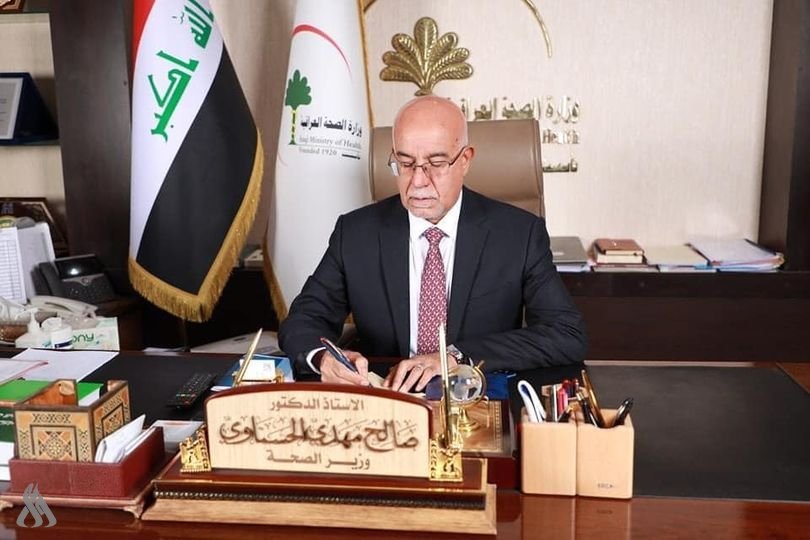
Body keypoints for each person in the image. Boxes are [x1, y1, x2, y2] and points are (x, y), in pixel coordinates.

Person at [279, 96, 586, 392]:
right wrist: (322, 359)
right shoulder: (357, 233)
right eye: (405, 163)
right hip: (388, 394)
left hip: (475, 395)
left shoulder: (518, 234)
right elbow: (304, 320)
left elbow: (566, 334)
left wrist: (455, 357)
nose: (418, 181)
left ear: (464, 160)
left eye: (436, 163)